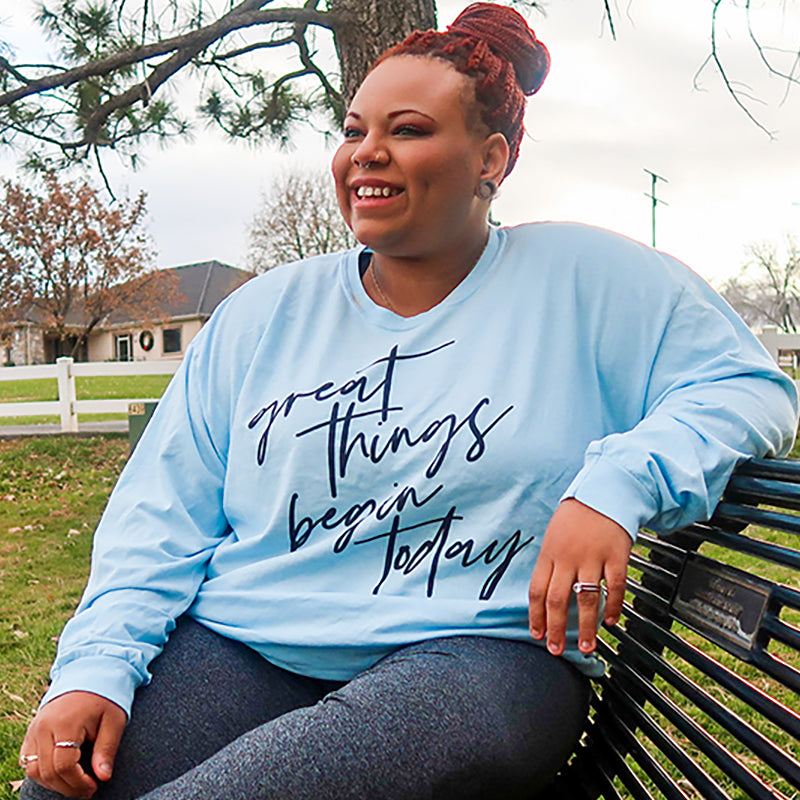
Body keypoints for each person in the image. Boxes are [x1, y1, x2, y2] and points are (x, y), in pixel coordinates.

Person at [19, 4, 798, 800]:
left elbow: (748, 389)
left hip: (480, 662)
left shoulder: (588, 280)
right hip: (247, 645)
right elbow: (161, 513)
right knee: (64, 789)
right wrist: (95, 669)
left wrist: (621, 480)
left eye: (410, 129)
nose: (367, 154)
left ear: (491, 158)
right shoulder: (263, 314)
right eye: (354, 130)